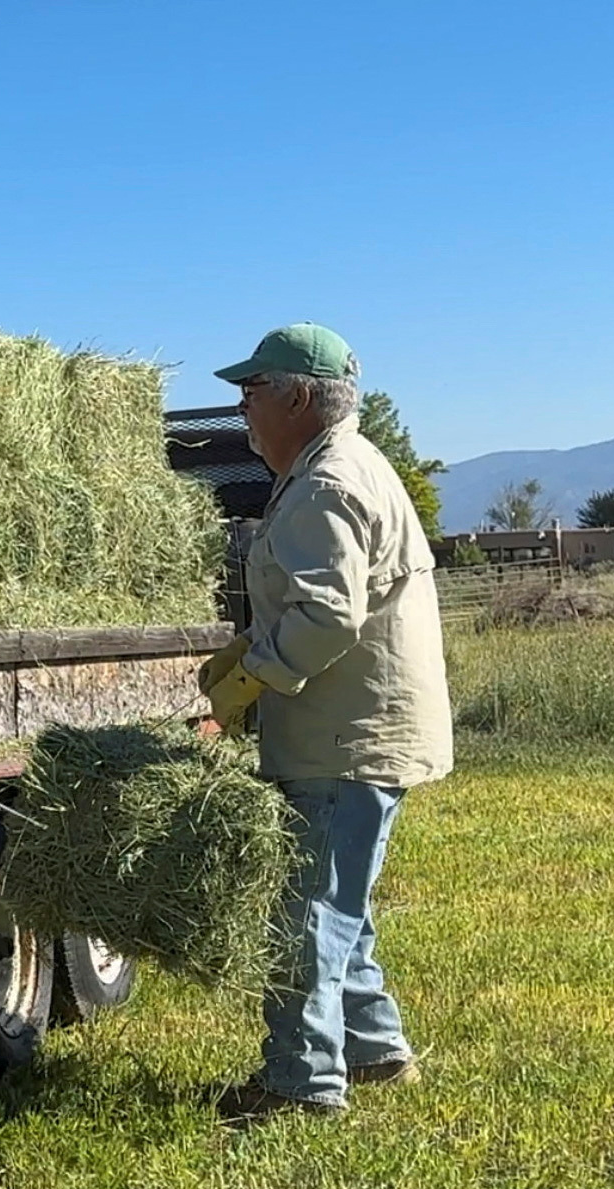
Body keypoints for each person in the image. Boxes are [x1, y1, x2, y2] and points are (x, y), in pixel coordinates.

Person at [195, 323, 453, 1123]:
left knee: (305, 915)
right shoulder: (339, 466)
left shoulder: (325, 483)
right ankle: (376, 1055)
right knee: (341, 903)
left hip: (343, 736)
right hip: (355, 729)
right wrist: (250, 648)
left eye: (252, 391)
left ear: (298, 397)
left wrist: (246, 680)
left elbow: (326, 616)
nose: (242, 410)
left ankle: (300, 1085)